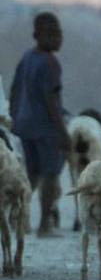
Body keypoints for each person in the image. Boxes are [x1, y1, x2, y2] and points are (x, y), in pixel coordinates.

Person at [8, 12, 72, 236]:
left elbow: (15, 90)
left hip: (25, 126)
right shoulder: (50, 63)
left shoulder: (27, 57)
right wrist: (63, 133)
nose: (57, 39)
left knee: (32, 175)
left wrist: (14, 117)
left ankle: (17, 217)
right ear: (37, 35)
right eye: (51, 34)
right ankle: (45, 224)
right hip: (46, 128)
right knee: (51, 175)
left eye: (58, 33)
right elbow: (50, 100)